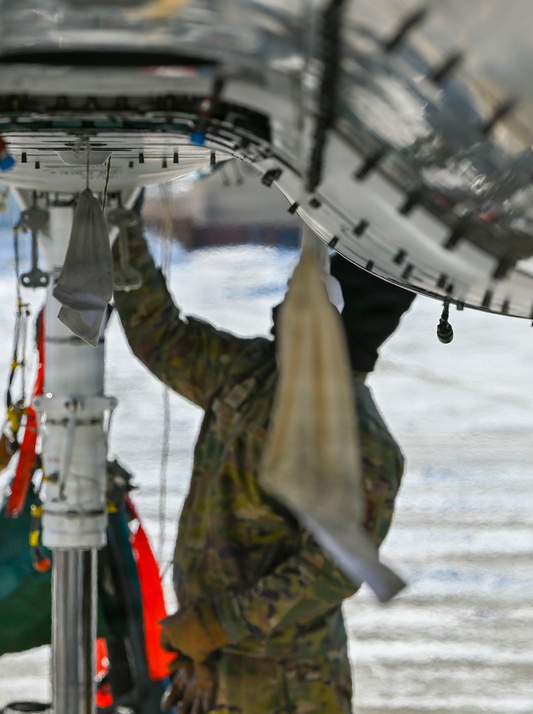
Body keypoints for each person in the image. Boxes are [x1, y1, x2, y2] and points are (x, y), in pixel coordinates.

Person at [111, 215, 415, 713]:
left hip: (286, 686)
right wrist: (120, 226)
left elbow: (332, 570)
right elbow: (159, 338)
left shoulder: (363, 445)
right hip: (210, 670)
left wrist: (213, 627)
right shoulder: (250, 374)